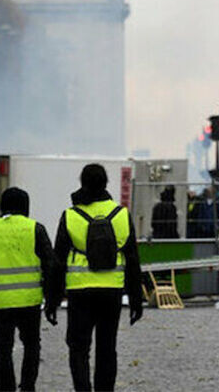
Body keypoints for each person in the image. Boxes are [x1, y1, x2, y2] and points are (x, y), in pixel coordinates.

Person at [52, 163, 143, 391]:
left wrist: (52, 300)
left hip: (80, 292)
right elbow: (133, 260)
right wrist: (135, 298)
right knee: (107, 348)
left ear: (82, 182)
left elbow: (58, 262)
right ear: (106, 184)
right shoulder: (121, 214)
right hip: (112, 291)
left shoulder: (71, 216)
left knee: (79, 348)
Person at [0, 187, 56, 392]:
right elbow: (50, 265)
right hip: (29, 300)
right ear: (26, 207)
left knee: (3, 350)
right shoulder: (35, 229)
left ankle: (6, 389)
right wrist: (51, 299)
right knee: (32, 345)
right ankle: (28, 386)